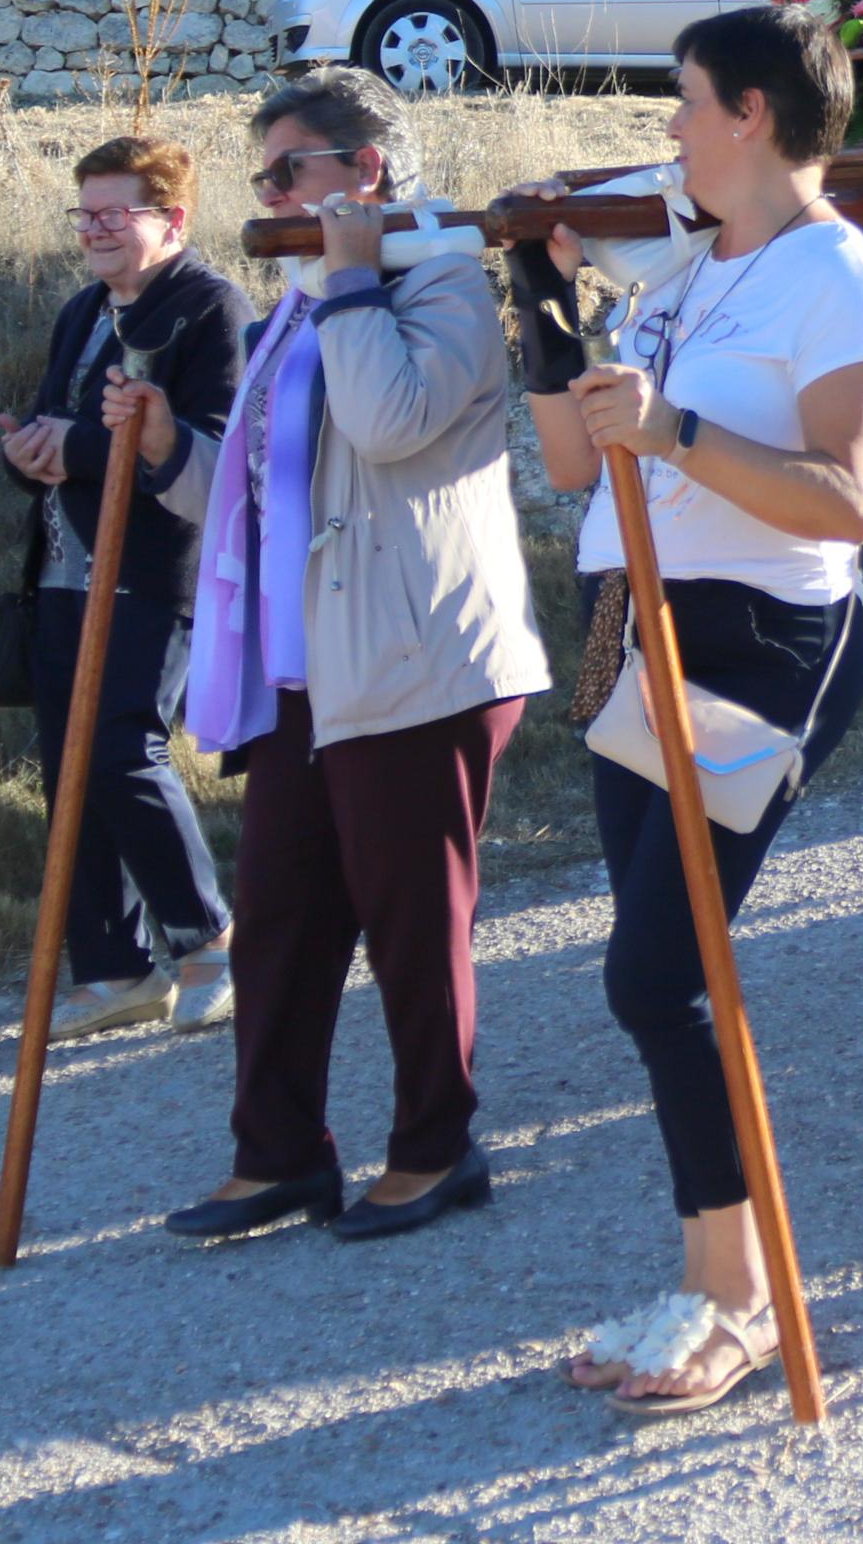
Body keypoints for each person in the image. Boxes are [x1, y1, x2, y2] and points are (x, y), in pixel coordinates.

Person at [511, 9, 863, 1417]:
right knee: (657, 974)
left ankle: (736, 1302)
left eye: (680, 102)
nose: (664, 128)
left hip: (757, 640)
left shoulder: (837, 277)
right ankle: (711, 1280)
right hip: (633, 634)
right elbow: (571, 464)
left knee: (656, 976)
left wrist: (672, 429)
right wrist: (544, 310)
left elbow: (845, 500)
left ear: (749, 112)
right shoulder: (685, 271)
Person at [115, 65, 553, 1242]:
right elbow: (261, 498)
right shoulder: (306, 304)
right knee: (281, 911)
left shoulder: (449, 284)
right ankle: (277, 1155)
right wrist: (166, 450)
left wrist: (354, 274)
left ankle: (434, 1147)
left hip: (419, 655)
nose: (266, 195)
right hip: (307, 665)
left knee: (413, 918)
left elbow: (390, 423)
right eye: (262, 174)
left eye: (285, 170)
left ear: (363, 170)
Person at [0, 136, 250, 1040]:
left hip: (155, 570)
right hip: (64, 571)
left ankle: (211, 939)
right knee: (66, 763)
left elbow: (208, 445)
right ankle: (113, 966)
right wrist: (28, 450)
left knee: (120, 751)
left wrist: (70, 449)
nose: (94, 232)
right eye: (85, 214)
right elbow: (55, 424)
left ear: (172, 219)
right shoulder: (83, 309)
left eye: (114, 214)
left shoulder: (210, 307)